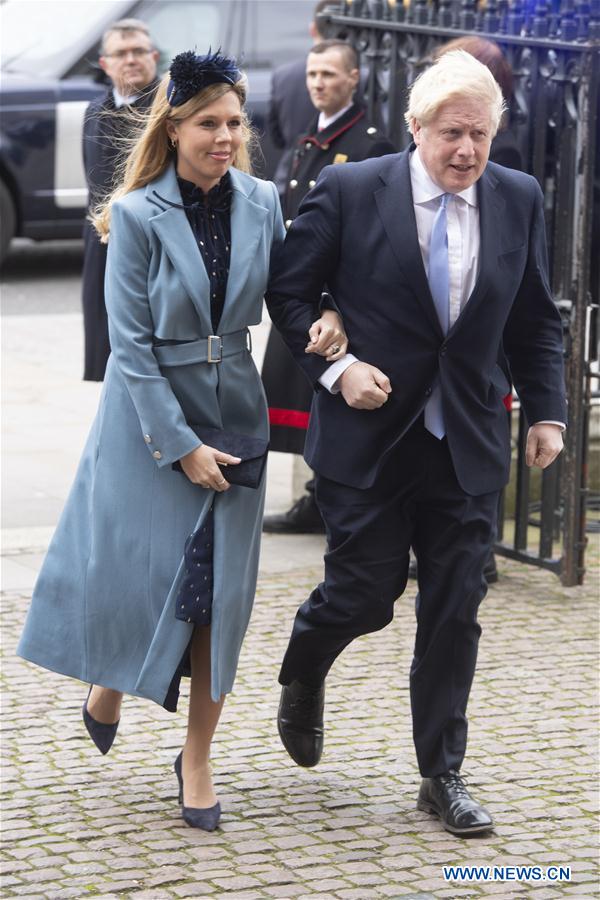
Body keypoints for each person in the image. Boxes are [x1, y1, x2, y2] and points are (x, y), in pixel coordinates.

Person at [17, 50, 342, 831]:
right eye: (209, 123)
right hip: (147, 418)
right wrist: (179, 445)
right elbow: (128, 347)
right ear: (174, 126)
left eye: (235, 122)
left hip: (237, 407)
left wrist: (330, 312)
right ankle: (112, 678)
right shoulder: (134, 216)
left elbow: (293, 286)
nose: (226, 136)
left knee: (217, 600)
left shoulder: (264, 200)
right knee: (141, 574)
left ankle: (196, 758)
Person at [266, 50, 566, 836]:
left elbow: (535, 318)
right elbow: (291, 293)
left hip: (465, 441)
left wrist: (547, 412)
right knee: (365, 597)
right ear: (415, 129)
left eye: (480, 134)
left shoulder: (517, 197)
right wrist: (337, 372)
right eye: (450, 133)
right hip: (369, 436)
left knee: (455, 610)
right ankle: (305, 663)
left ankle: (442, 773)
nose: (466, 150)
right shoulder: (351, 188)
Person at [262, 39, 395, 534]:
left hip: (337, 296)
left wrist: (332, 299)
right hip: (301, 290)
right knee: (308, 395)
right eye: (313, 75)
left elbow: (367, 232)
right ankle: (315, 500)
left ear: (354, 79)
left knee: (336, 401)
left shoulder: (371, 142)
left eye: (330, 75)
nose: (318, 83)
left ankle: (334, 503)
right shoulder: (307, 138)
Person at [82, 18, 160, 382]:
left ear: (154, 57)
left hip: (151, 239)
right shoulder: (94, 111)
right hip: (104, 239)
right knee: (107, 342)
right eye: (121, 53)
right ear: (105, 64)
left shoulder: (168, 107)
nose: (131, 60)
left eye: (138, 52)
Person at [268, 0, 331, 203]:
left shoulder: (283, 75)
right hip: (329, 185)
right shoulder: (364, 77)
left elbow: (276, 137)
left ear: (313, 29)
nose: (318, 84)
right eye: (313, 75)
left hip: (289, 180)